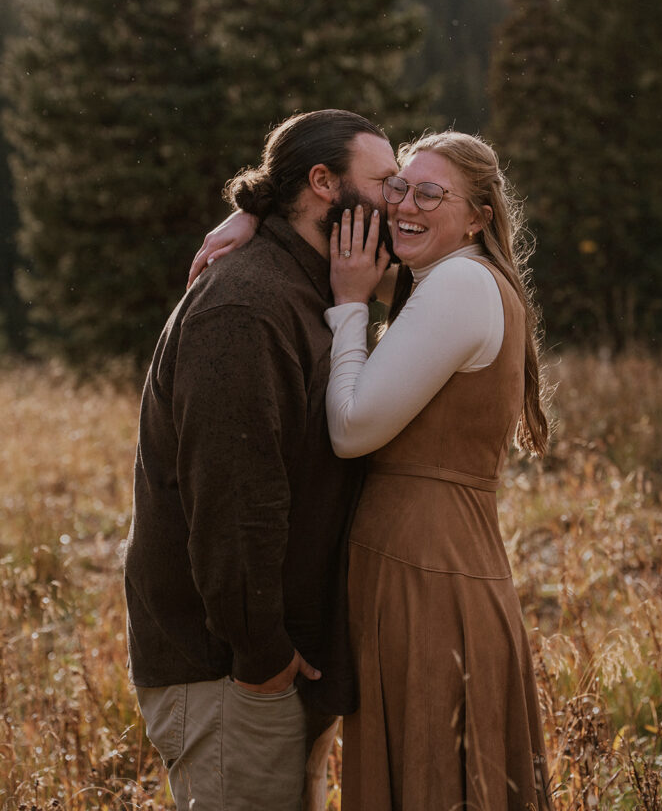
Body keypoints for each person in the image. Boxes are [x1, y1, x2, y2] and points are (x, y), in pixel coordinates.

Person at [194, 129, 554, 810]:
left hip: (425, 568)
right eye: (399, 188)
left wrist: (351, 304)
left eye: (429, 193)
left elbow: (353, 429)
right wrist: (257, 212)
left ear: (479, 214)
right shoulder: (446, 273)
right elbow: (333, 201)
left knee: (429, 777)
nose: (405, 204)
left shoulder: (457, 283)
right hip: (424, 559)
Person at [124, 109, 399, 811]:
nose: (398, 201)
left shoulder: (311, 289)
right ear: (322, 184)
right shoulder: (247, 305)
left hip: (276, 664)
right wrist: (262, 656)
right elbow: (233, 502)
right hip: (228, 672)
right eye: (386, 183)